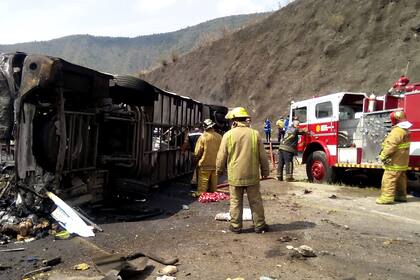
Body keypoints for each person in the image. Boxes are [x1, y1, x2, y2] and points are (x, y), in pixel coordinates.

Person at [216, 107, 270, 234]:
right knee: (255, 201)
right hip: (252, 175)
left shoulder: (228, 135)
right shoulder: (254, 134)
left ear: (234, 121)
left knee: (235, 201)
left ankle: (235, 226)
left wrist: (219, 170)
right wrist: (265, 171)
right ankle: (260, 225)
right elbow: (263, 155)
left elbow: (221, 155)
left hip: (235, 176)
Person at [377, 110, 411, 204]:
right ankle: (401, 196)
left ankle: (386, 198)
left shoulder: (396, 131)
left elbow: (390, 145)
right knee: (400, 179)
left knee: (389, 178)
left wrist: (383, 155)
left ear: (395, 120)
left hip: (395, 161)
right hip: (403, 161)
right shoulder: (406, 130)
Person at [194, 119, 222, 195]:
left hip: (204, 164)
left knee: (203, 184)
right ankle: (213, 195)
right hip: (216, 164)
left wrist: (196, 159)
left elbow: (198, 152)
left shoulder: (203, 137)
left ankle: (202, 195)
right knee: (214, 185)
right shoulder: (219, 137)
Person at [277, 116, 304, 181]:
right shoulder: (296, 129)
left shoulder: (289, 128)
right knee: (288, 162)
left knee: (281, 162)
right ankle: (289, 177)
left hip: (281, 147)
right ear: (294, 123)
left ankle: (279, 176)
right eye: (297, 124)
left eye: (298, 124)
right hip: (288, 148)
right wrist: (309, 132)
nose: (298, 125)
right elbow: (303, 131)